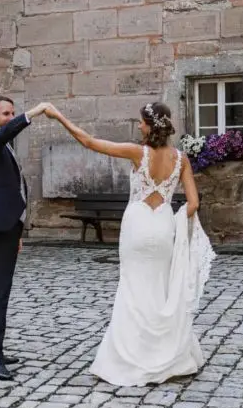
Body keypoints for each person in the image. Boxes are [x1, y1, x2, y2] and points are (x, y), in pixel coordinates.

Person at [44, 101, 214, 386]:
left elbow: (89, 142)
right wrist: (174, 220)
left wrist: (59, 115)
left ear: (149, 126)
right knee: (160, 289)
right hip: (163, 228)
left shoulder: (138, 153)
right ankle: (167, 354)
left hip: (137, 227)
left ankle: (132, 357)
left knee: (133, 290)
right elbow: (194, 203)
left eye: (140, 122)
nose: (138, 126)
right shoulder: (181, 159)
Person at [0, 96, 52, 381]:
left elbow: (10, 187)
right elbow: (1, 136)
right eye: (6, 113)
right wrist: (33, 113)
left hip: (5, 228)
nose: (11, 117)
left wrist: (16, 230)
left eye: (13, 113)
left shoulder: (1, 145)